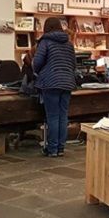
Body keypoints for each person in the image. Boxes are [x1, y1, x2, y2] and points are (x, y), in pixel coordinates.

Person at [32, 17, 76, 157]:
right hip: (67, 82)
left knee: (52, 116)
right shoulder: (68, 43)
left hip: (50, 82)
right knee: (63, 116)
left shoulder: (45, 42)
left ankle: (52, 149)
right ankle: (60, 148)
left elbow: (37, 61)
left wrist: (38, 71)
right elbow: (73, 64)